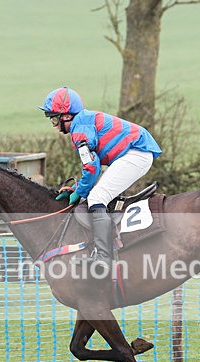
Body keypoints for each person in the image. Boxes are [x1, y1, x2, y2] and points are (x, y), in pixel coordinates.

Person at [39, 86, 162, 267]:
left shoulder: (79, 129)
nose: (54, 124)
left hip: (136, 153)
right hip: (135, 152)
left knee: (96, 197)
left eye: (54, 118)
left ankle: (103, 258)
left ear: (66, 116)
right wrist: (79, 188)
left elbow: (91, 167)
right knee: (95, 194)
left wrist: (79, 192)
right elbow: (92, 166)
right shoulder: (82, 121)